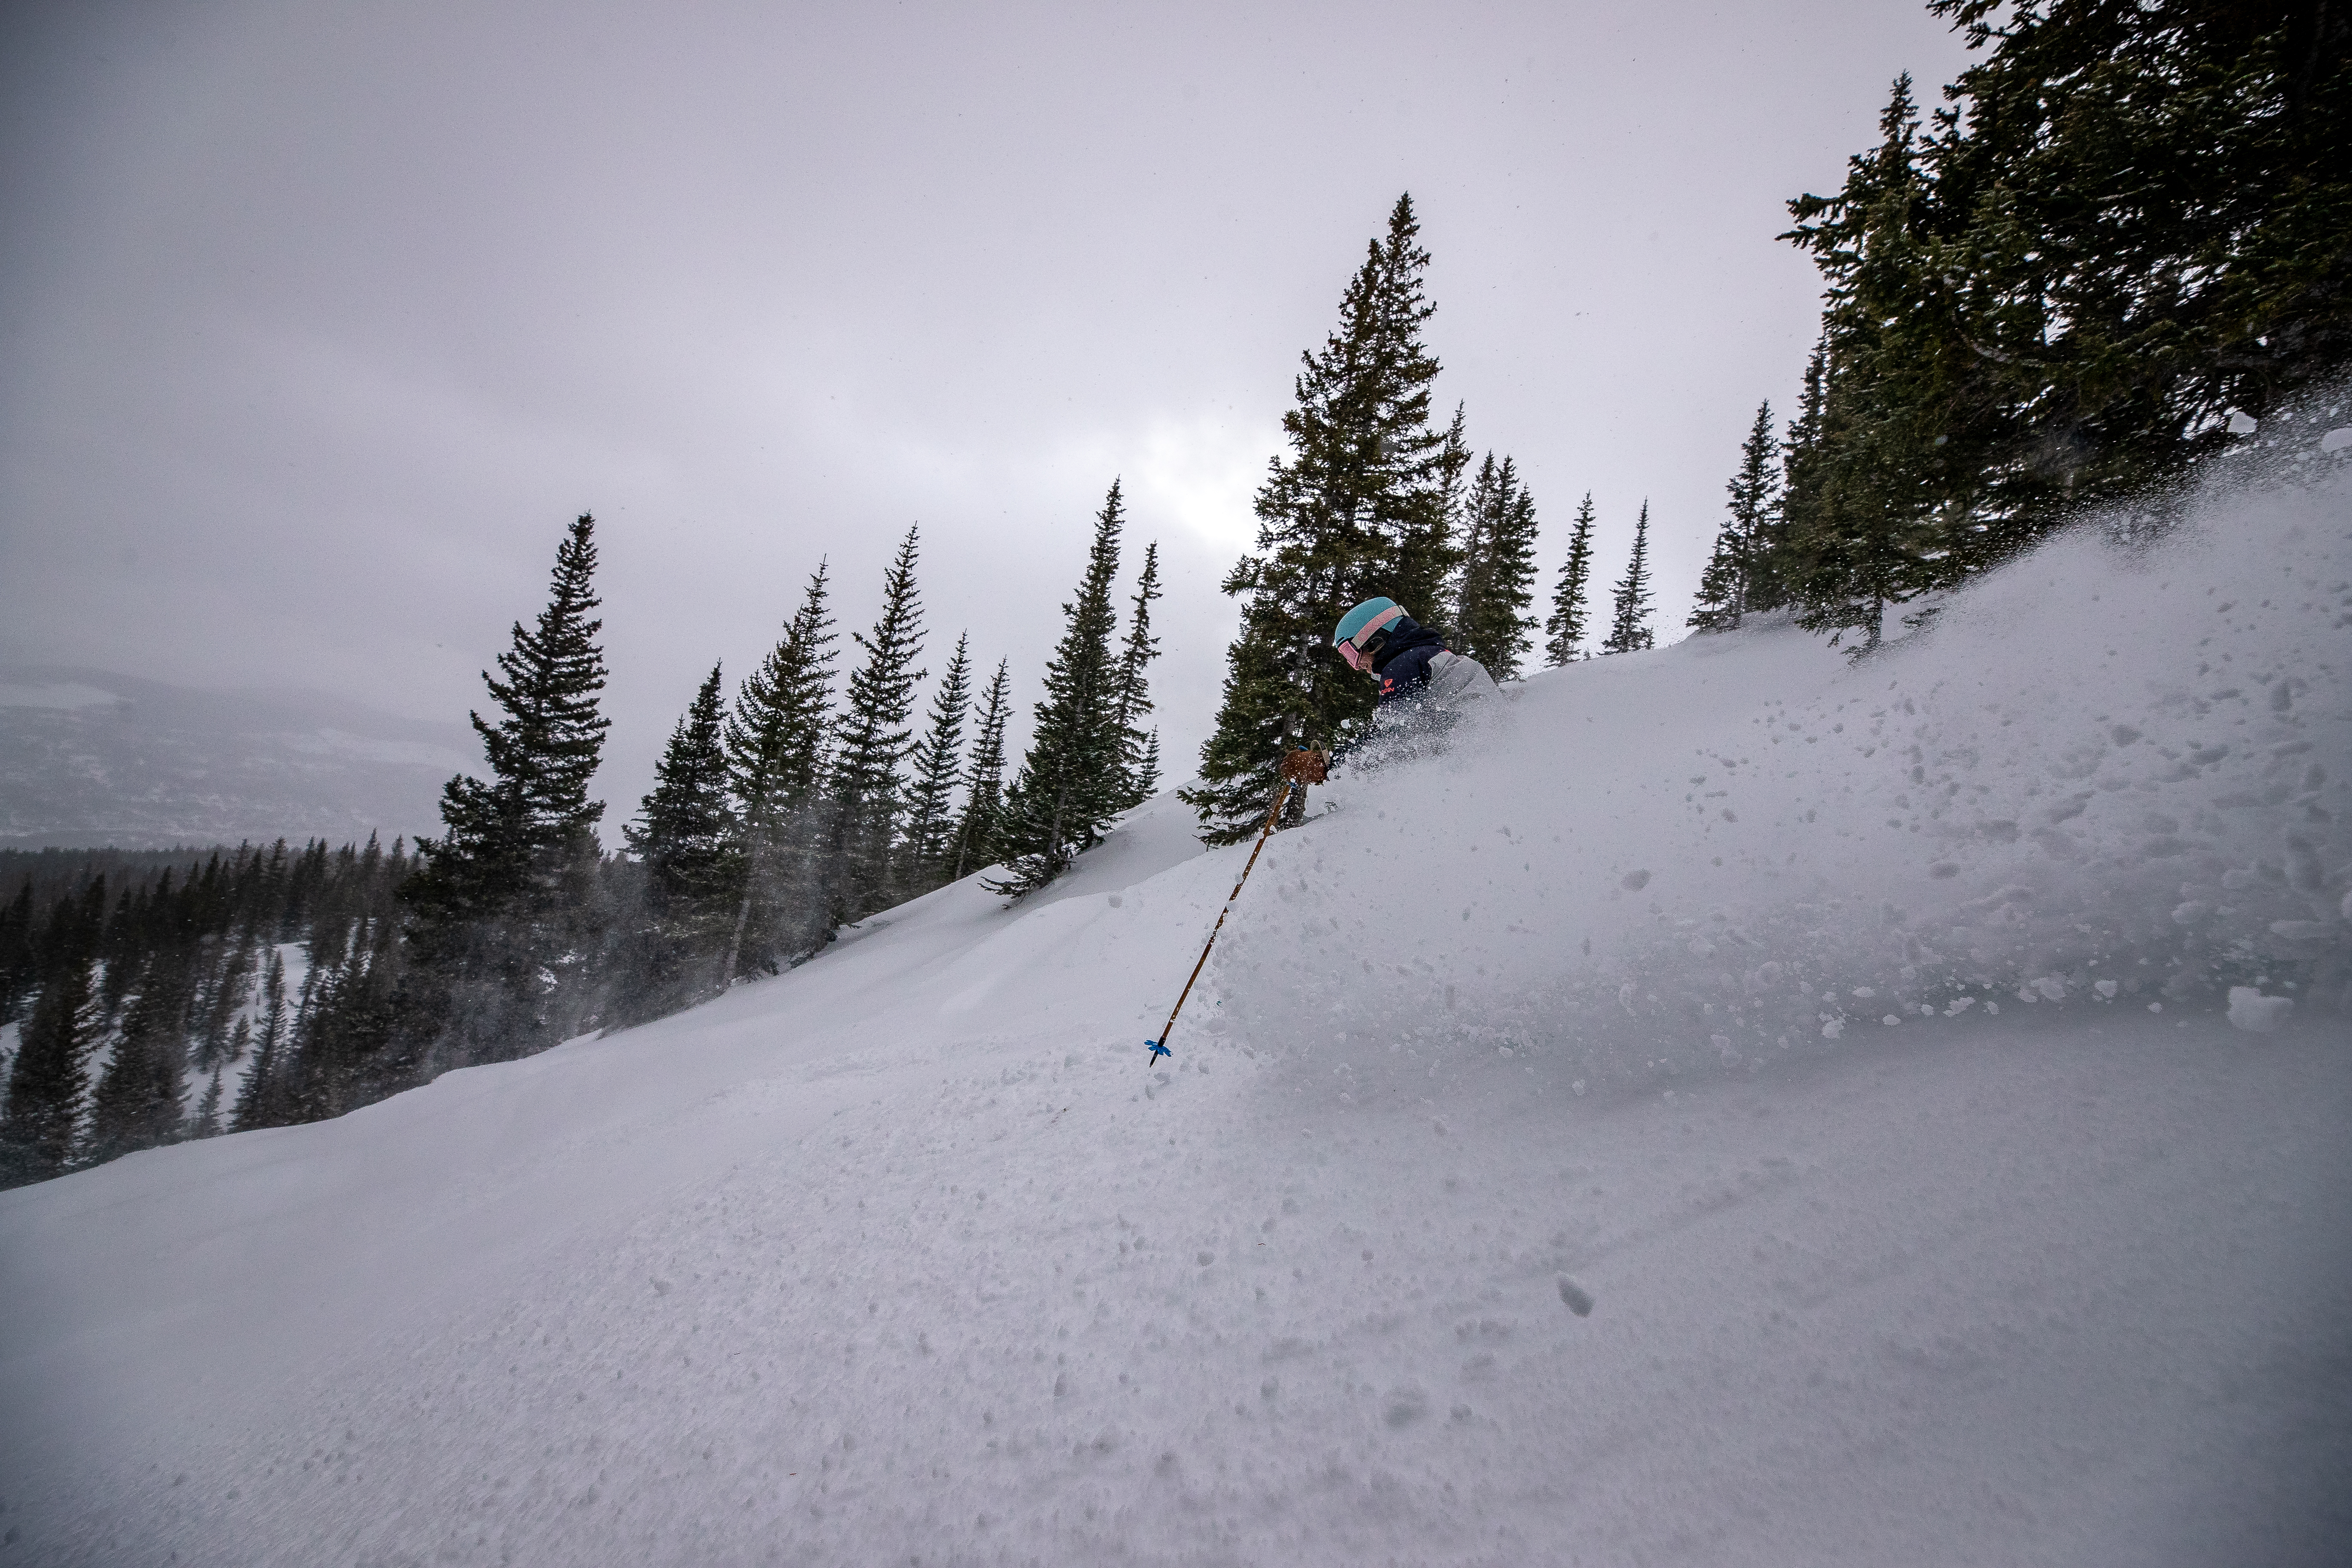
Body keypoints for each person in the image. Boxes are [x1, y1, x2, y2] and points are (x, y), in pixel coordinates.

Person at [1280, 597, 1499, 783]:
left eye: (1351, 653)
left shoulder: (1403, 665)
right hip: (1480, 755)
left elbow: (1391, 736)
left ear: (1376, 641)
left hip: (1463, 757)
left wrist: (1328, 763)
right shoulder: (1430, 656)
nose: (1356, 666)